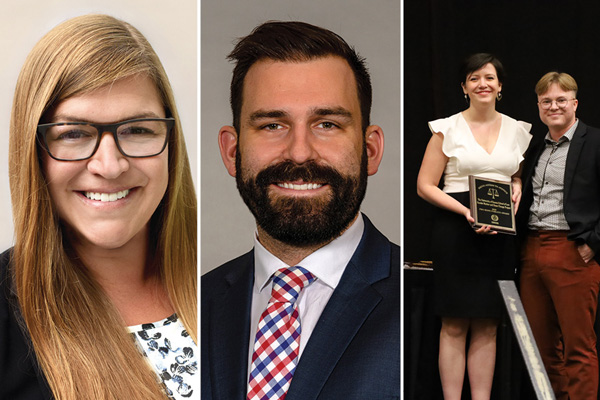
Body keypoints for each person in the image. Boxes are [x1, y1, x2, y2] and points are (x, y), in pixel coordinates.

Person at [1, 14, 197, 400]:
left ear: (171, 145)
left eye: (138, 129)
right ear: (34, 153)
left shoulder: (234, 288)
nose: (110, 166)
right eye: (74, 134)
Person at [201, 21, 400, 400]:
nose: (299, 152)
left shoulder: (417, 304)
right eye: (272, 124)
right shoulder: (198, 301)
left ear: (370, 150)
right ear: (231, 151)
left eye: (327, 124)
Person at [417, 53, 531, 399]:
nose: (483, 84)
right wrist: (466, 212)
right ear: (464, 87)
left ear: (500, 87)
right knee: (452, 323)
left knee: (488, 323)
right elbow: (425, 185)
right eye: (474, 78)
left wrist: (517, 188)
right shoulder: (445, 128)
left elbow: (515, 175)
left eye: (490, 78)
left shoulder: (518, 129)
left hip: (499, 236)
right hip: (455, 232)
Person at [517, 72, 600, 400]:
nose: (554, 106)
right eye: (547, 101)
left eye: (561, 100)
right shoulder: (536, 147)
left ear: (574, 104)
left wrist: (593, 244)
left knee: (578, 349)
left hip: (572, 252)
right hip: (532, 251)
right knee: (541, 350)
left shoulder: (594, 142)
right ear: (539, 106)